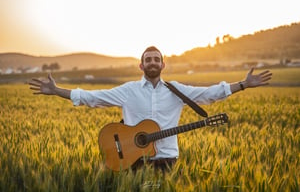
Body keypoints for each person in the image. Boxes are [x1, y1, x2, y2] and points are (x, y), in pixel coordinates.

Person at [29, 46, 272, 171]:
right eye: (148, 59)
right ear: (141, 65)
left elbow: (209, 94)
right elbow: (93, 97)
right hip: (133, 160)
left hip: (167, 160)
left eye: (157, 59)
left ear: (163, 64)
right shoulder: (128, 91)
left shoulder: (176, 90)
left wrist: (242, 85)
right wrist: (57, 90)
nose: (153, 62)